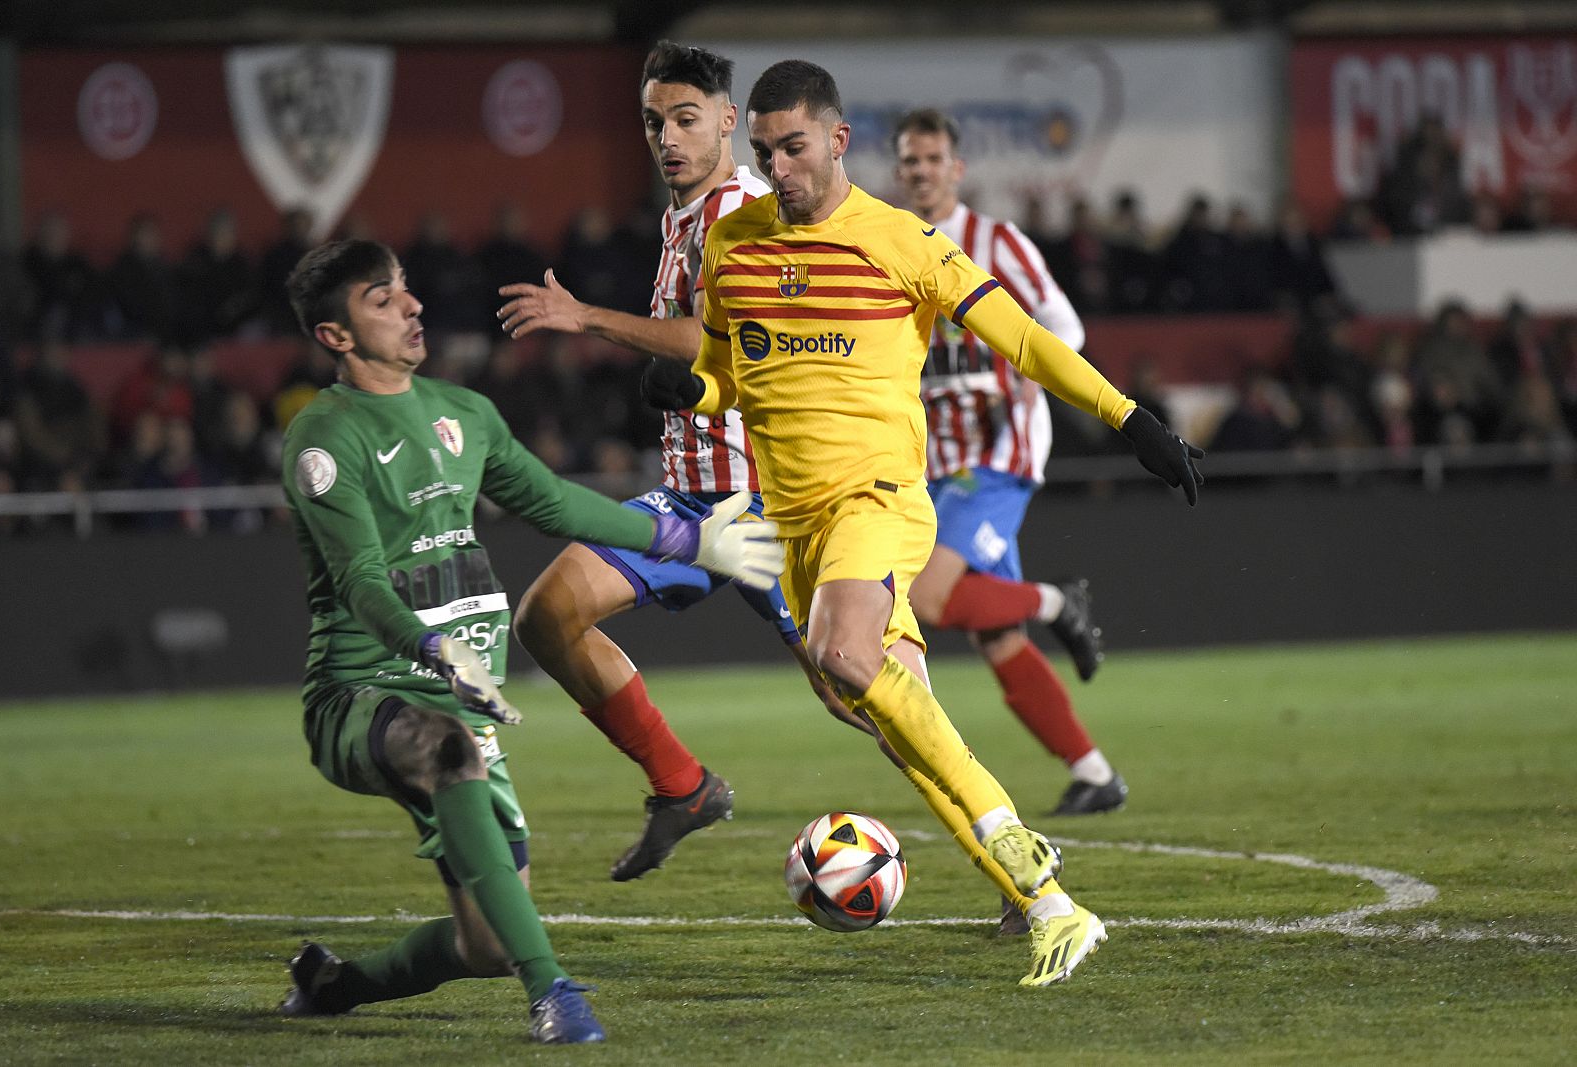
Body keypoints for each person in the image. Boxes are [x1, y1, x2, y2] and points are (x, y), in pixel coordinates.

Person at [643, 60, 1202, 988]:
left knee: (844, 655)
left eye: (793, 147)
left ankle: (1020, 852)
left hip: (883, 500)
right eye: (765, 151)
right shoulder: (732, 244)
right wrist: (693, 385)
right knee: (886, 711)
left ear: (837, 141)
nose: (777, 167)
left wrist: (1129, 419)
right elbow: (737, 368)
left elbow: (1024, 338)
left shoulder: (904, 242)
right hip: (798, 522)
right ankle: (1050, 906)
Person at [273, 238, 780, 1042]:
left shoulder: (463, 414)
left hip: (461, 698)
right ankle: (555, 994)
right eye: (382, 299)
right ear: (335, 336)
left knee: (481, 941)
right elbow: (363, 581)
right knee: (448, 750)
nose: (412, 307)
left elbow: (555, 504)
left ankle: (338, 983)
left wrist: (687, 544)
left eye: (406, 288)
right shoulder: (323, 440)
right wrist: (431, 650)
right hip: (365, 692)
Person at [497, 41, 864, 883]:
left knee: (853, 691)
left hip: (766, 502)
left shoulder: (745, 213)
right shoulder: (678, 218)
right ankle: (683, 787)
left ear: (730, 122)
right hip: (693, 501)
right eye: (654, 120)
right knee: (548, 614)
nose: (666, 136)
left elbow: (712, 340)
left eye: (686, 119)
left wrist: (585, 317)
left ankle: (1008, 854)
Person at [891, 108, 1128, 820]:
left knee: (926, 600)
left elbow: (1064, 324)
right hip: (935, 462)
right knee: (996, 636)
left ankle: (1060, 600)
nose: (921, 171)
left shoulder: (996, 242)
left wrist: (1031, 369)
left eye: (933, 159)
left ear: (956, 169)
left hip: (998, 452)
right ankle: (1095, 773)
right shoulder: (895, 247)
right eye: (910, 161)